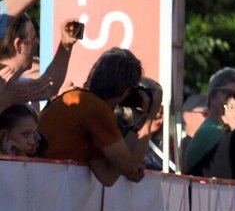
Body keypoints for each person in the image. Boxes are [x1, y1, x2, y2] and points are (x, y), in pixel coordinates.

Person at [38, 49, 160, 185]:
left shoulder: (81, 99)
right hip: (46, 184)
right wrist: (149, 118)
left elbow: (107, 176)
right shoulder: (95, 109)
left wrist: (140, 123)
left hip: (43, 182)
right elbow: (131, 169)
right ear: (126, 91)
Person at [184, 68, 235, 175]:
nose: (233, 101)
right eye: (227, 93)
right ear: (212, 98)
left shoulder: (218, 129)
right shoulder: (212, 132)